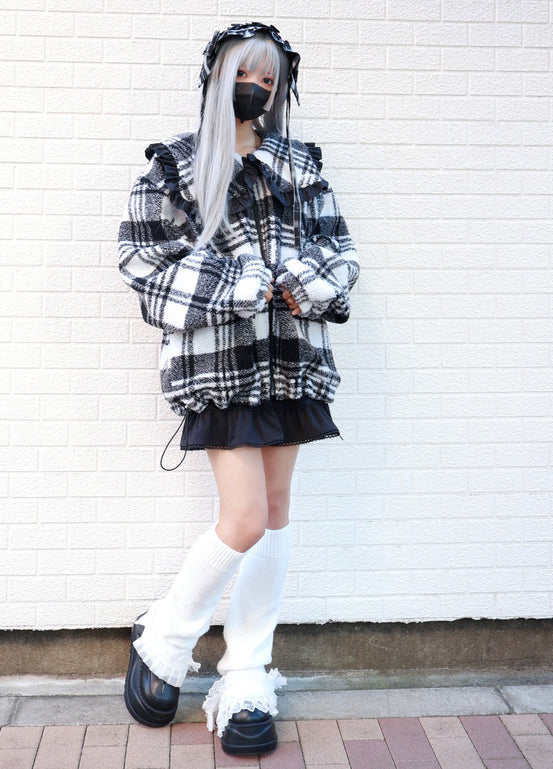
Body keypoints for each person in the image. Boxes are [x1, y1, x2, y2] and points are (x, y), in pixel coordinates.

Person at [118, 21, 359, 757]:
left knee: (275, 513)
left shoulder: (298, 165)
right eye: (245, 74)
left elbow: (338, 251)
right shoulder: (177, 167)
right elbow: (143, 262)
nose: (257, 88)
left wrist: (302, 282)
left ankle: (248, 671)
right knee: (246, 516)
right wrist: (244, 282)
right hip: (219, 365)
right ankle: (166, 635)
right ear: (218, 77)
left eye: (270, 78)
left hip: (290, 357)